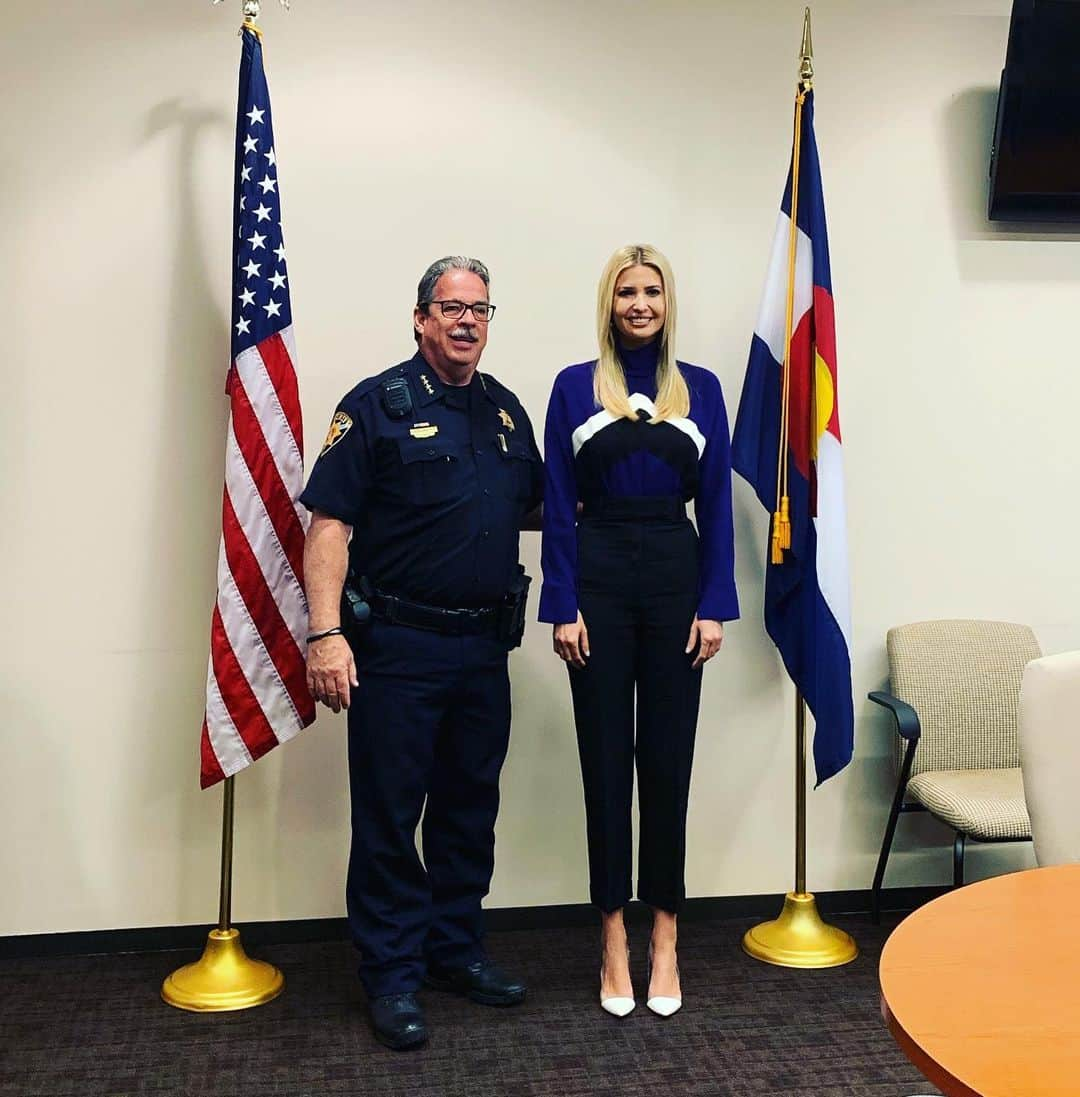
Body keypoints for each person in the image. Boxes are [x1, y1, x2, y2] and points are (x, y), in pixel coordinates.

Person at [299, 256, 543, 1051]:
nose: (467, 321)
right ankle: (393, 976)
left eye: (479, 308)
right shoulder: (377, 406)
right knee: (389, 821)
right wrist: (326, 632)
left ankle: (454, 952)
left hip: (482, 647)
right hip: (397, 649)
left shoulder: (506, 414)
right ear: (420, 318)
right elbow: (328, 527)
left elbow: (545, 512)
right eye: (451, 308)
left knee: (470, 812)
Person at [539, 244, 739, 1018]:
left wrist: (713, 602)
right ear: (609, 302)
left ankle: (665, 936)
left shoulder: (703, 390)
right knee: (604, 764)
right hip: (596, 578)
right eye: (627, 291)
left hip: (674, 576)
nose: (640, 303)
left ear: (668, 301)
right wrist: (562, 602)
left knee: (666, 762)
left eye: (652, 290)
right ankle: (612, 937)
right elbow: (558, 503)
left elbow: (717, 506)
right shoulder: (573, 387)